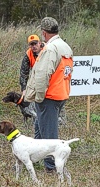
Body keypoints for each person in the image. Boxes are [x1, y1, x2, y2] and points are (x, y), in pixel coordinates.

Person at [25, 17, 73, 172]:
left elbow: (42, 75)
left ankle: (51, 167)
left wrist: (38, 98)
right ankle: (33, 159)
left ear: (44, 33)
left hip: (49, 97)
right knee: (40, 128)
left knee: (49, 135)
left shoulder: (50, 48)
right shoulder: (66, 46)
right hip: (61, 93)